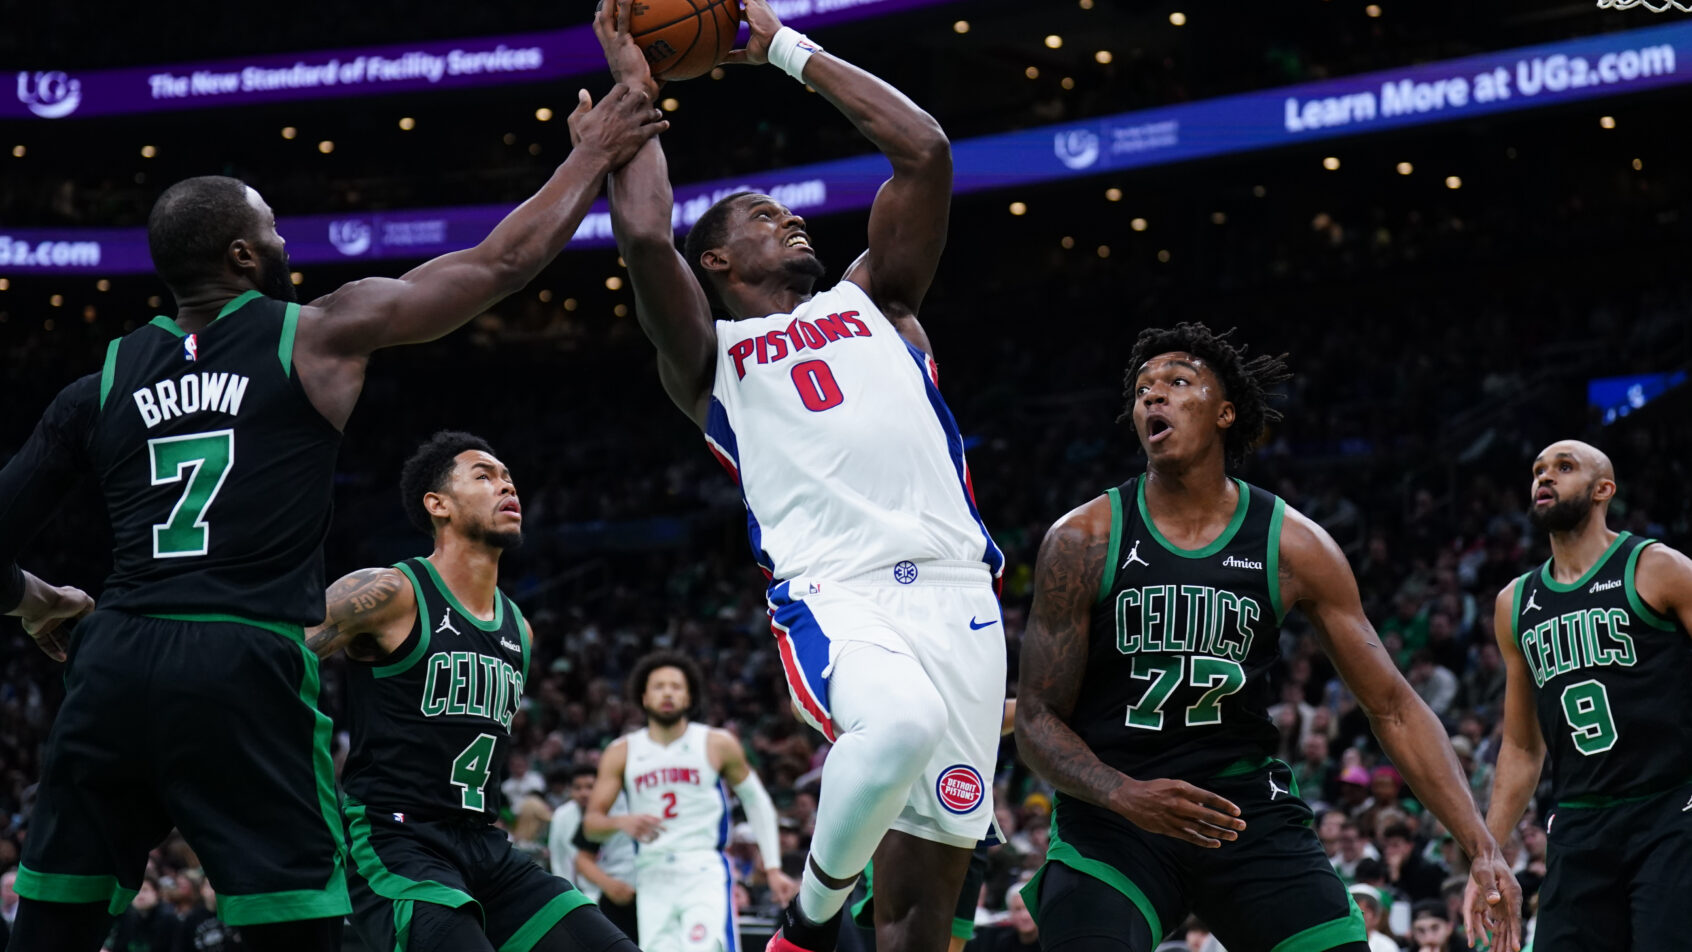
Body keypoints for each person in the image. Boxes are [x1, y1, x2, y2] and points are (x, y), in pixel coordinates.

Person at [0, 88, 662, 952]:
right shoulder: (314, 335)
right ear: (243, 255)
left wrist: (36, 598)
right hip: (244, 655)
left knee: (53, 931)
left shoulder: (100, 384)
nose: (284, 244)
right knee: (305, 937)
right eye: (273, 231)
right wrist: (590, 153)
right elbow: (501, 264)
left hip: (115, 657)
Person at [589, 3, 1006, 951]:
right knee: (893, 725)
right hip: (838, 591)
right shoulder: (709, 353)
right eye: (760, 217)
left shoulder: (878, 300)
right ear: (719, 260)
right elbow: (648, 239)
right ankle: (807, 928)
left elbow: (925, 153)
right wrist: (637, 92)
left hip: (961, 599)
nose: (789, 217)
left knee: (922, 908)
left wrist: (780, 45)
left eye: (788, 209)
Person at [1014, 323, 1521, 952]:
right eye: (1143, 389)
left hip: (1243, 811)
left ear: (1225, 413)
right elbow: (1037, 719)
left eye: (1177, 383)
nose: (1153, 397)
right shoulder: (1082, 539)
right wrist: (1123, 794)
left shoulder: (1294, 545)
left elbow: (1391, 705)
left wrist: (1481, 845)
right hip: (1115, 815)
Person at [305, 431, 638, 952]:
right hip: (395, 838)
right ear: (437, 504)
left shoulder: (519, 629)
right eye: (484, 476)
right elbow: (278, 657)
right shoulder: (390, 592)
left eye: (508, 478)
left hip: (486, 846)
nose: (506, 487)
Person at [1469, 439, 1692, 950]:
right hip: (1578, 824)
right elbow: (1523, 749)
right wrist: (1489, 853)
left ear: (1602, 490)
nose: (1544, 478)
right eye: (1538, 470)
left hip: (1671, 812)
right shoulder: (1515, 602)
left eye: (1564, 468)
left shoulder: (1656, 567)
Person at [584, 651, 795, 952]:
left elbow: (757, 801)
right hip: (651, 872)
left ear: (688, 697)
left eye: (676, 686)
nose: (667, 692)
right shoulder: (622, 751)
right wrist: (621, 822)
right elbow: (592, 825)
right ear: (644, 697)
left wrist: (773, 868)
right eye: (658, 686)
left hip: (703, 868)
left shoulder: (716, 742)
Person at [552, 765, 639, 940]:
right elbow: (562, 861)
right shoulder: (563, 816)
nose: (584, 793)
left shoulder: (627, 806)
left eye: (590, 787)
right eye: (578, 788)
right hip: (589, 893)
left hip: (631, 889)